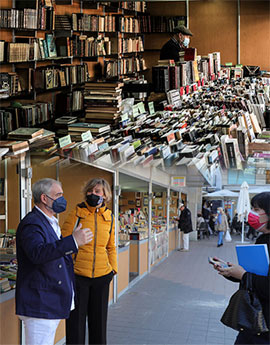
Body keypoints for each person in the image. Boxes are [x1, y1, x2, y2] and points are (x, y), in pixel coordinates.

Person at [16, 178, 93, 345]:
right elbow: (37, 253)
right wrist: (72, 241)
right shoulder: (32, 223)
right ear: (44, 198)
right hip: (39, 303)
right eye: (58, 195)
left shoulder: (49, 221)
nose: (62, 199)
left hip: (48, 301)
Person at [62, 178, 117, 345]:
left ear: (105, 195)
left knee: (99, 324)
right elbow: (64, 241)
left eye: (97, 191)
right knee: (75, 324)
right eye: (90, 191)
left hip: (102, 276)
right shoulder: (76, 213)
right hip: (78, 277)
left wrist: (113, 270)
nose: (93, 194)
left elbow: (111, 247)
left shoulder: (110, 217)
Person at [214, 192, 270, 344]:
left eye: (256, 209)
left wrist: (244, 275)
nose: (251, 213)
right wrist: (230, 271)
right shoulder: (262, 239)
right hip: (253, 320)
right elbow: (253, 274)